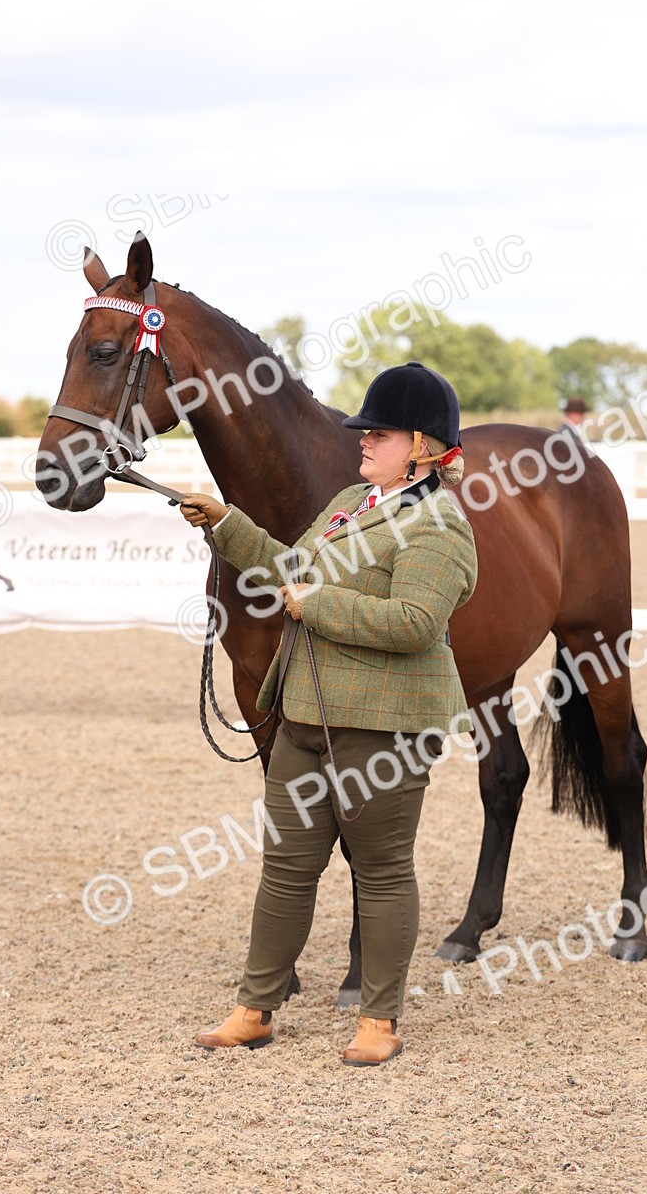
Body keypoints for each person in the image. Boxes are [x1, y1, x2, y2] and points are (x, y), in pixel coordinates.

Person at [178, 361, 478, 1065]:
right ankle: (255, 1007)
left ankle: (379, 1020)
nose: (364, 440)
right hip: (306, 713)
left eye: (381, 432)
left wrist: (321, 604)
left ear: (426, 447)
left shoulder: (441, 526)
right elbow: (291, 571)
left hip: (383, 727)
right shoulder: (351, 501)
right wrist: (227, 525)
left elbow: (414, 622)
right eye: (365, 430)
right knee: (283, 868)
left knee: (379, 869)